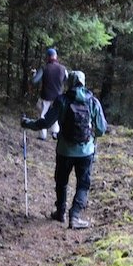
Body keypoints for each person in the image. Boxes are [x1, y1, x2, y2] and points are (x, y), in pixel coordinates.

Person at [20, 69, 108, 228]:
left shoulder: (61, 100)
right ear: (83, 82)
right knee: (83, 184)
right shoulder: (93, 101)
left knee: (61, 181)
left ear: (70, 83)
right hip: (86, 151)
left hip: (64, 150)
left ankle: (60, 212)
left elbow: (45, 123)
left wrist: (27, 123)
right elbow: (102, 128)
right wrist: (92, 135)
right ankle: (74, 216)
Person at [30, 47, 65, 140]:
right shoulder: (63, 69)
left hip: (46, 96)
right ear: (56, 56)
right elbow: (66, 78)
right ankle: (55, 133)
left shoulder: (44, 68)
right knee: (55, 115)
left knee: (42, 115)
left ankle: (42, 135)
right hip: (58, 97)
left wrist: (34, 74)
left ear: (47, 57)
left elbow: (34, 81)